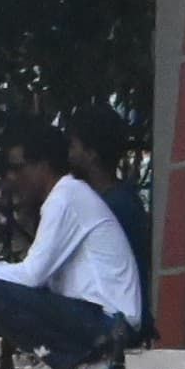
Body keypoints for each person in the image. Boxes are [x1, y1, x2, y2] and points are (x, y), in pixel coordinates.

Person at [0, 123, 141, 369]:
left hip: (109, 324)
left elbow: (31, 277)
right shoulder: (67, 196)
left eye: (17, 168)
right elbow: (35, 277)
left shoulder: (65, 198)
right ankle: (71, 363)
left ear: (43, 166)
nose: (10, 178)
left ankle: (76, 363)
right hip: (100, 321)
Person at [67, 105, 151, 337]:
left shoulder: (115, 207)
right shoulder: (116, 201)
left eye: (73, 146)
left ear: (92, 153)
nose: (69, 155)